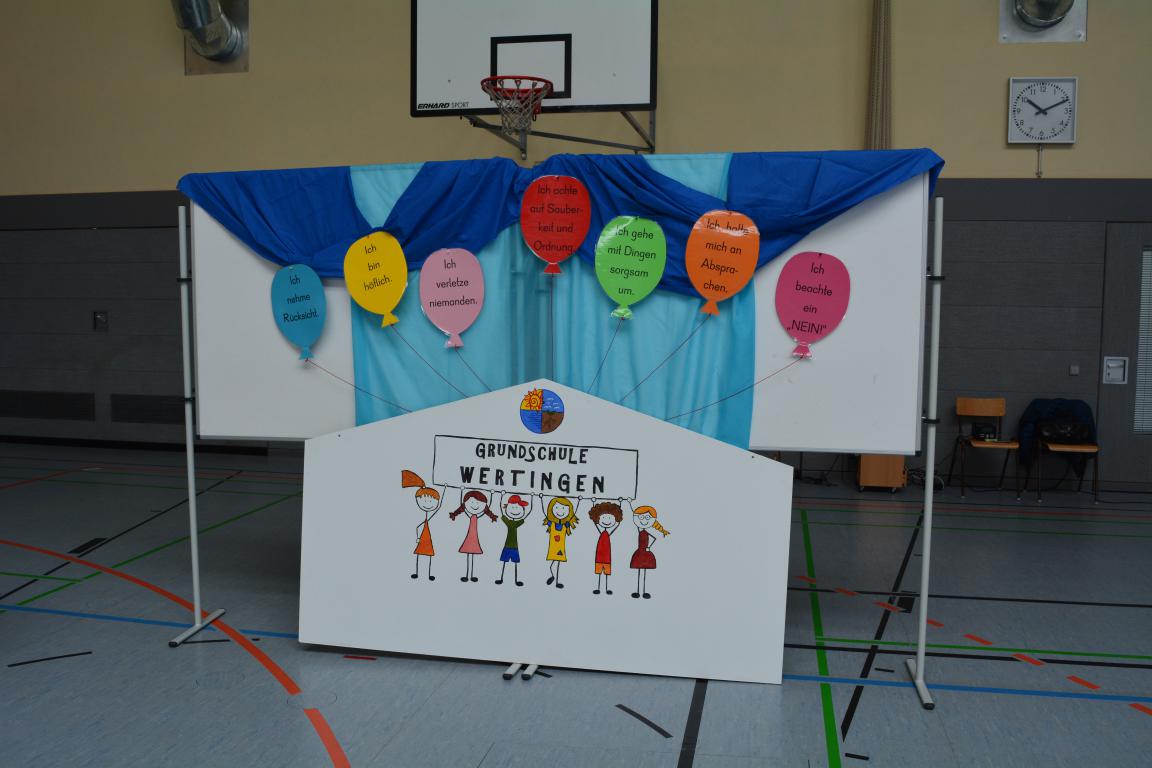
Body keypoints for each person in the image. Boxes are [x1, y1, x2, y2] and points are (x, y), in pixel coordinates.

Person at [400, 470, 444, 581]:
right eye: (424, 500)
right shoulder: (423, 519)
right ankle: (417, 572)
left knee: (428, 555)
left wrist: (445, 490)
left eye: (431, 501)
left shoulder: (427, 518)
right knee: (420, 554)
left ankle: (429, 574)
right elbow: (417, 527)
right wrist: (418, 538)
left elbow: (438, 507)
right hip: (423, 538)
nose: (428, 504)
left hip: (426, 538)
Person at [623, 500, 670, 599]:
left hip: (645, 552)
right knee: (639, 571)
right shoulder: (639, 529)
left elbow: (655, 538)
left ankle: (643, 591)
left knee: (643, 571)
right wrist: (629, 503)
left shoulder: (646, 532)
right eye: (641, 517)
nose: (643, 520)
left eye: (647, 517)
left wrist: (649, 547)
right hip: (639, 551)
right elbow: (634, 513)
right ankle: (637, 591)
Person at [448, 489, 497, 583]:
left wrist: (492, 514)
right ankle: (467, 575)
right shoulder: (468, 513)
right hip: (470, 539)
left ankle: (471, 575)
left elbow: (488, 508)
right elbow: (461, 508)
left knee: (472, 556)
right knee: (469, 555)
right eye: (472, 502)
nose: (475, 505)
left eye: (479, 503)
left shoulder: (479, 514)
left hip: (474, 539)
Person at [495, 491, 535, 587]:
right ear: (507, 507)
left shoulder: (516, 523)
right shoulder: (509, 522)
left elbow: (527, 514)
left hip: (513, 546)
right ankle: (501, 578)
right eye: (513, 507)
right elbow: (501, 511)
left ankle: (515, 580)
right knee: (505, 562)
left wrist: (532, 498)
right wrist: (501, 496)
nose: (515, 510)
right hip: (509, 546)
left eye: (518, 508)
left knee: (514, 563)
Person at [542, 495, 581, 589]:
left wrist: (578, 502)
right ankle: (552, 575)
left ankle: (556, 581)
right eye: (557, 508)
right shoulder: (551, 524)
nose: (560, 511)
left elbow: (572, 516)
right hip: (553, 548)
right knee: (553, 564)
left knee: (557, 564)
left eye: (564, 508)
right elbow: (544, 513)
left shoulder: (565, 525)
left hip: (560, 549)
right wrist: (541, 499)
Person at [588, 500, 623, 595]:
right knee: (599, 572)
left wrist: (620, 505)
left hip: (607, 556)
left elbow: (618, 524)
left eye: (610, 518)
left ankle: (607, 588)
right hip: (599, 556)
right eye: (603, 517)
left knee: (607, 572)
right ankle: (598, 588)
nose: (606, 520)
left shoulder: (609, 533)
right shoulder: (601, 532)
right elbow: (594, 523)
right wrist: (593, 504)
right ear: (597, 518)